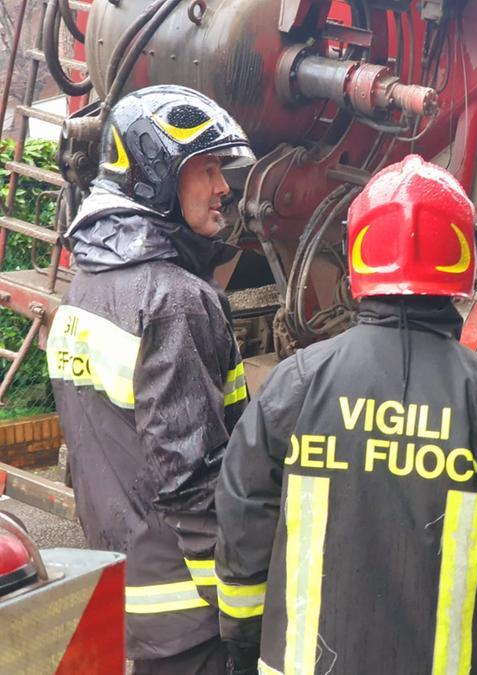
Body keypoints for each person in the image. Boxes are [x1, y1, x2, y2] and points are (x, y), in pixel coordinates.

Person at [215, 155, 477, 675]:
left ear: (359, 254)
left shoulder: (294, 386)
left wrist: (243, 647)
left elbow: (244, 523)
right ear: (462, 258)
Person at [47, 84, 256, 674]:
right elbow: (192, 480)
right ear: (157, 177)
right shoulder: (175, 300)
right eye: (207, 169)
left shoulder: (86, 285)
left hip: (126, 595)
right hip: (189, 617)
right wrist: (238, 608)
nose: (224, 188)